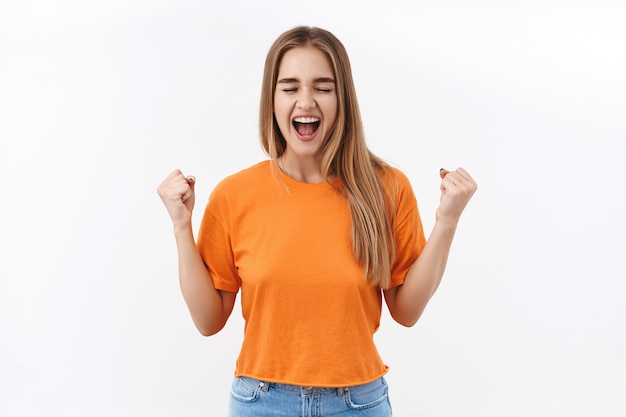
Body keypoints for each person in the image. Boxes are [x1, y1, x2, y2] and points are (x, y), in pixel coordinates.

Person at [157, 25, 477, 417]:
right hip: (261, 403)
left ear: (343, 99)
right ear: (271, 99)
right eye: (290, 87)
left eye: (323, 87)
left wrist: (447, 221)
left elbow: (406, 311)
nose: (305, 101)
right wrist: (180, 226)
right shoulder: (233, 195)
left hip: (358, 403)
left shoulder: (387, 188)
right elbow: (208, 320)